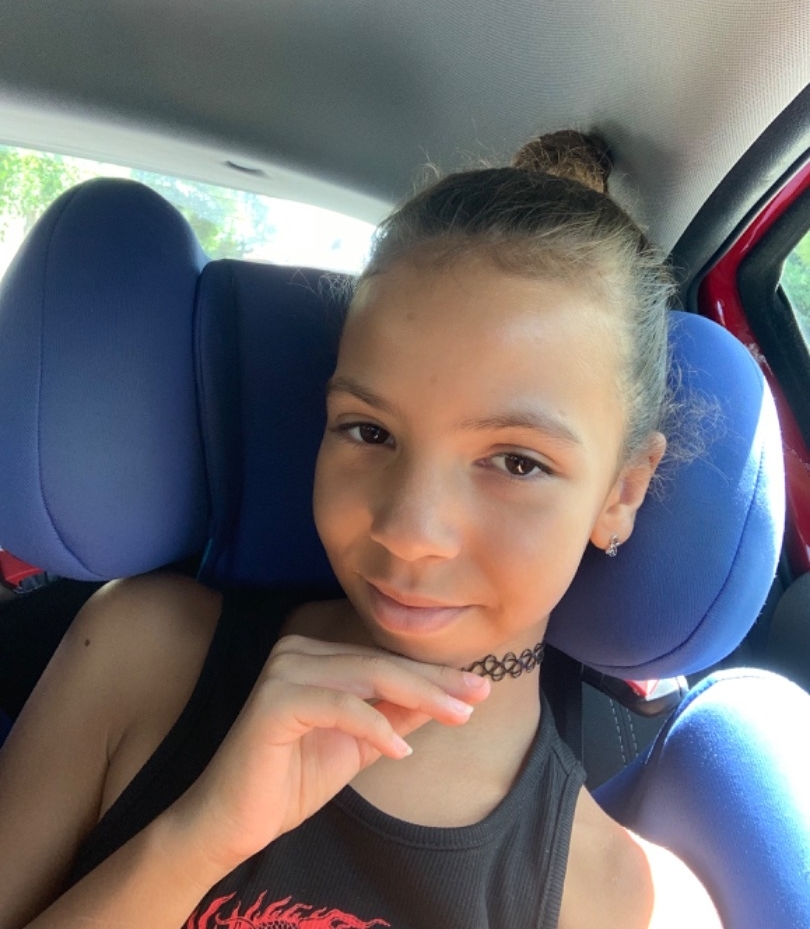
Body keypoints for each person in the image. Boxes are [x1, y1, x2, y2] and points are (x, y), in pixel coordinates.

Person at [0, 131, 721, 928]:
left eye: (517, 462)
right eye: (369, 431)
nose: (410, 532)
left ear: (622, 492)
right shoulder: (142, 655)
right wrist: (197, 839)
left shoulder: (632, 903)